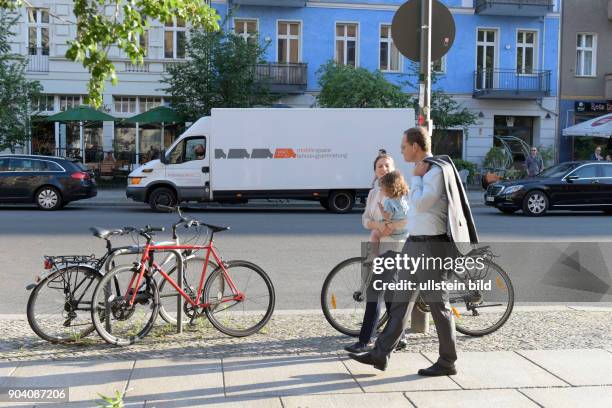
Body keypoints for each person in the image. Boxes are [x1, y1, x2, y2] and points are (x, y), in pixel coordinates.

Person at [349, 126, 478, 376]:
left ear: (415, 146)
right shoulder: (422, 170)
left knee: (437, 304)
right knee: (400, 300)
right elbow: (411, 209)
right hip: (414, 244)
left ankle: (447, 360)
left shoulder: (435, 171)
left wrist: (417, 178)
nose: (401, 150)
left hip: (431, 246)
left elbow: (421, 203)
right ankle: (380, 354)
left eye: (403, 146)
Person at [344, 154, 407, 354]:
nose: (383, 168)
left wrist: (390, 226)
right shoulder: (373, 194)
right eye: (379, 166)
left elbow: (410, 218)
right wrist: (378, 225)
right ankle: (400, 337)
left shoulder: (401, 191)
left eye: (387, 165)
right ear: (375, 171)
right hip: (378, 246)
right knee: (388, 294)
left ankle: (365, 340)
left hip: (395, 246)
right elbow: (365, 220)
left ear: (394, 168)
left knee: (375, 292)